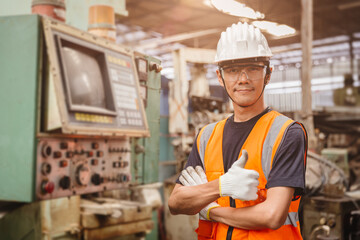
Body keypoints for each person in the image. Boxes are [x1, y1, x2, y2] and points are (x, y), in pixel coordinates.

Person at [168, 21, 308, 240]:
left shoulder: (287, 133)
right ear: (220, 77)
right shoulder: (206, 136)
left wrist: (211, 209)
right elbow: (176, 203)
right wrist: (222, 186)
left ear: (268, 74)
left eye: (253, 68)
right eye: (233, 70)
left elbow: (272, 215)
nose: (243, 79)